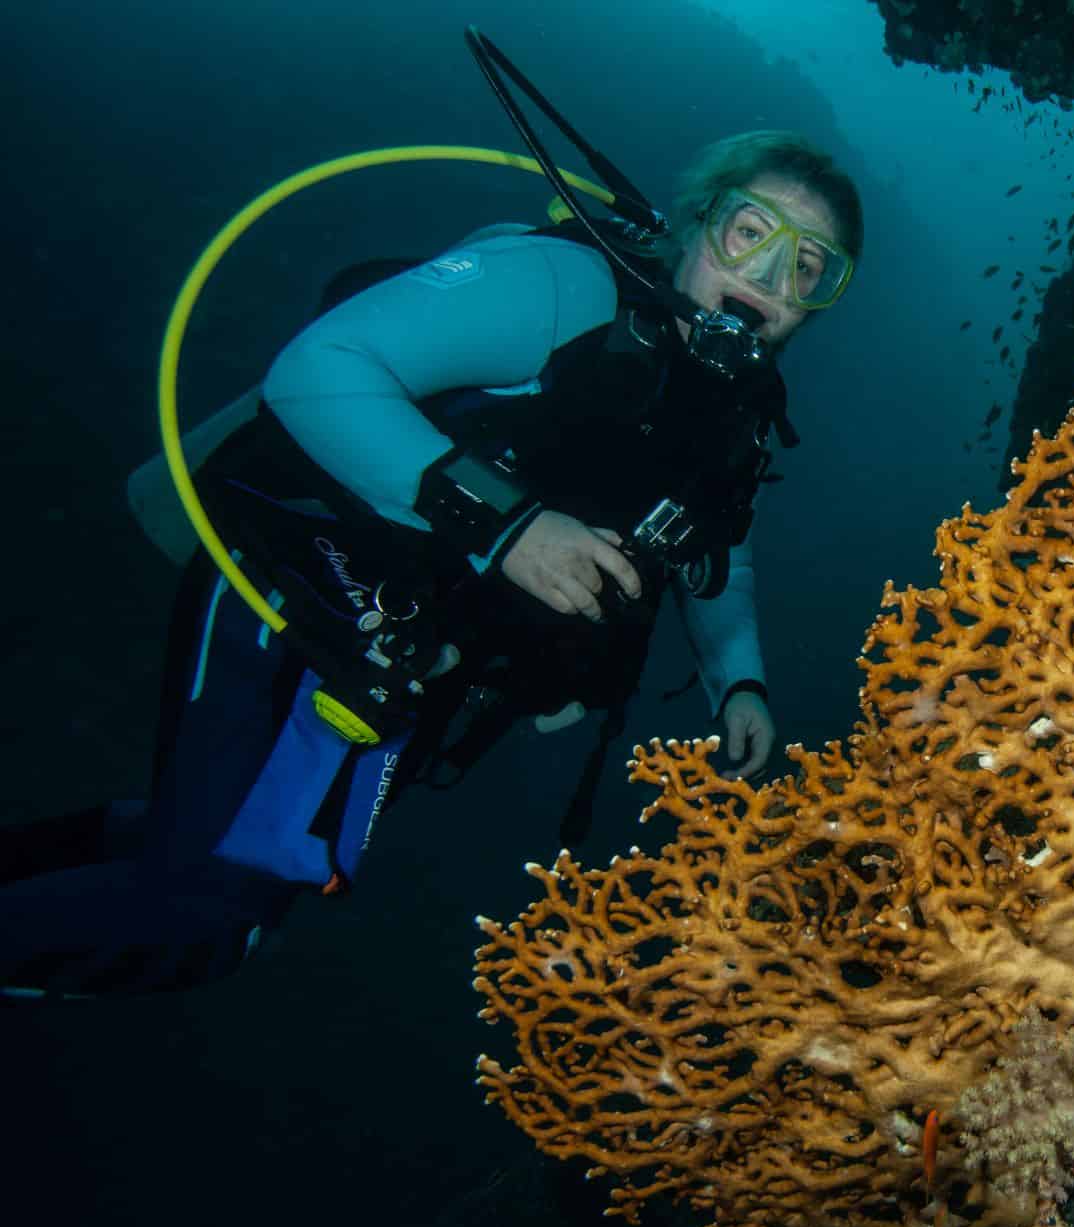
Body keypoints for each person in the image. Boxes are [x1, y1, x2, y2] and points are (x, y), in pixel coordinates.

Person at [0, 130, 863, 1000]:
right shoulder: (564, 288)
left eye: (809, 268)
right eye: (751, 231)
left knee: (227, 870)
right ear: (697, 221)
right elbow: (314, 371)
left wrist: (739, 682)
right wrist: (512, 528)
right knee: (203, 912)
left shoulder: (734, 415)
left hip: (404, 668)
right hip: (299, 593)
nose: (769, 273)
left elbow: (716, 553)